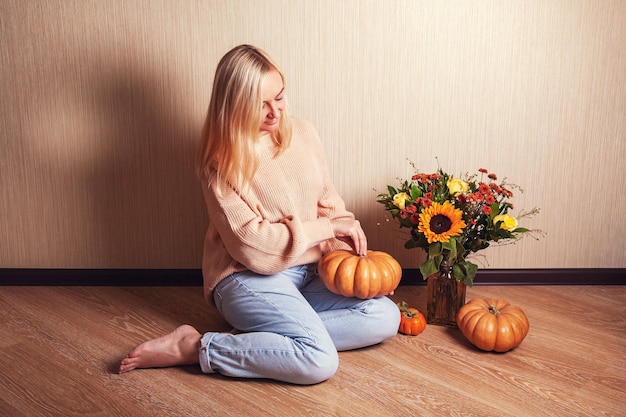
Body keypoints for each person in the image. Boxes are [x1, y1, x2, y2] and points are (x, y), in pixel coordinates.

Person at [118, 44, 400, 385]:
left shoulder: (305, 134)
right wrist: (326, 228)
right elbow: (256, 249)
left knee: (384, 314)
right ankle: (195, 347)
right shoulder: (220, 164)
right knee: (318, 360)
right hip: (246, 278)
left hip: (309, 272)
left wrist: (349, 267)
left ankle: (269, 336)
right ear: (233, 107)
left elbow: (330, 207)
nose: (275, 113)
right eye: (259, 105)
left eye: (279, 97)